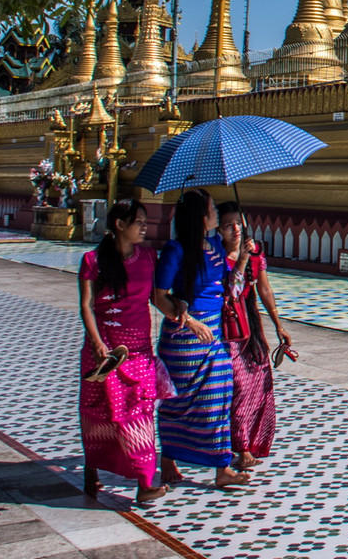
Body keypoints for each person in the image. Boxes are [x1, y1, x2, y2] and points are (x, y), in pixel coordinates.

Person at [152, 189, 251, 488]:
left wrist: (242, 258)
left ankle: (222, 467)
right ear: (200, 215)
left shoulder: (213, 248)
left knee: (219, 396)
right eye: (211, 209)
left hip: (214, 333)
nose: (215, 214)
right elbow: (158, 297)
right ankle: (168, 455)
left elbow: (230, 289)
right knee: (178, 400)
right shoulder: (176, 250)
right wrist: (190, 321)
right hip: (184, 334)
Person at [78, 198, 166, 505]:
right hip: (104, 353)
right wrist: (98, 342)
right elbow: (87, 306)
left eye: (145, 222)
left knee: (139, 413)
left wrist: (183, 314)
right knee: (100, 414)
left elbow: (157, 298)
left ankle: (145, 482)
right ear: (119, 225)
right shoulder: (93, 260)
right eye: (139, 222)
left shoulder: (148, 257)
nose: (144, 227)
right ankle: (92, 468)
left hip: (139, 351)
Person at [217, 200, 290, 468]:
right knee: (239, 385)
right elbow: (229, 291)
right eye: (228, 225)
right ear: (219, 229)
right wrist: (243, 257)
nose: (235, 229)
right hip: (228, 328)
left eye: (239, 223)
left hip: (252, 326)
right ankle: (240, 447)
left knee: (260, 383)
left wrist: (278, 325)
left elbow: (264, 289)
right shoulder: (215, 256)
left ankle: (255, 441)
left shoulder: (255, 253)